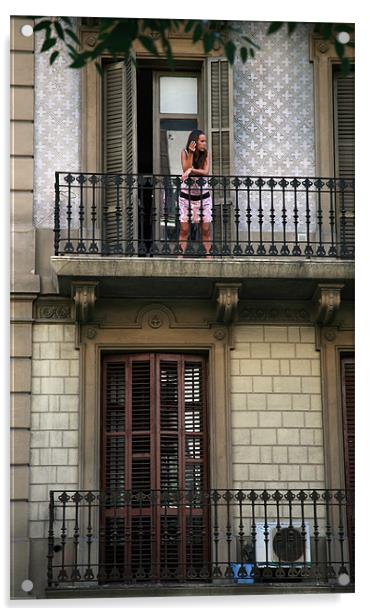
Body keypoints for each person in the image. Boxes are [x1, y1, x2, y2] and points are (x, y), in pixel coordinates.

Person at [178, 130, 212, 256]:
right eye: (202, 141)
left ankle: (208, 256)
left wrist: (191, 170)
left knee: (206, 229)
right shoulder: (185, 152)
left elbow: (206, 172)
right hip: (186, 198)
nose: (205, 144)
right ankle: (180, 256)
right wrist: (191, 154)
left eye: (205, 141)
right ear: (194, 142)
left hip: (204, 198)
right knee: (184, 229)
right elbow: (185, 169)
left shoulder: (207, 154)